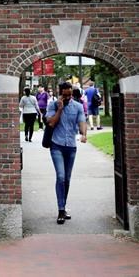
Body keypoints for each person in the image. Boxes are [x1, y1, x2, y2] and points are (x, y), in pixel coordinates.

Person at [46, 81, 87, 225]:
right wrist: (60, 109)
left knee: (67, 179)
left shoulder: (78, 106)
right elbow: (51, 123)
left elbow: (82, 121)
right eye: (65, 95)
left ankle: (63, 206)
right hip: (56, 145)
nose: (68, 97)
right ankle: (61, 210)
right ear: (60, 93)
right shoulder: (53, 105)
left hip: (71, 146)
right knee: (61, 177)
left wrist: (84, 134)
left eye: (70, 95)